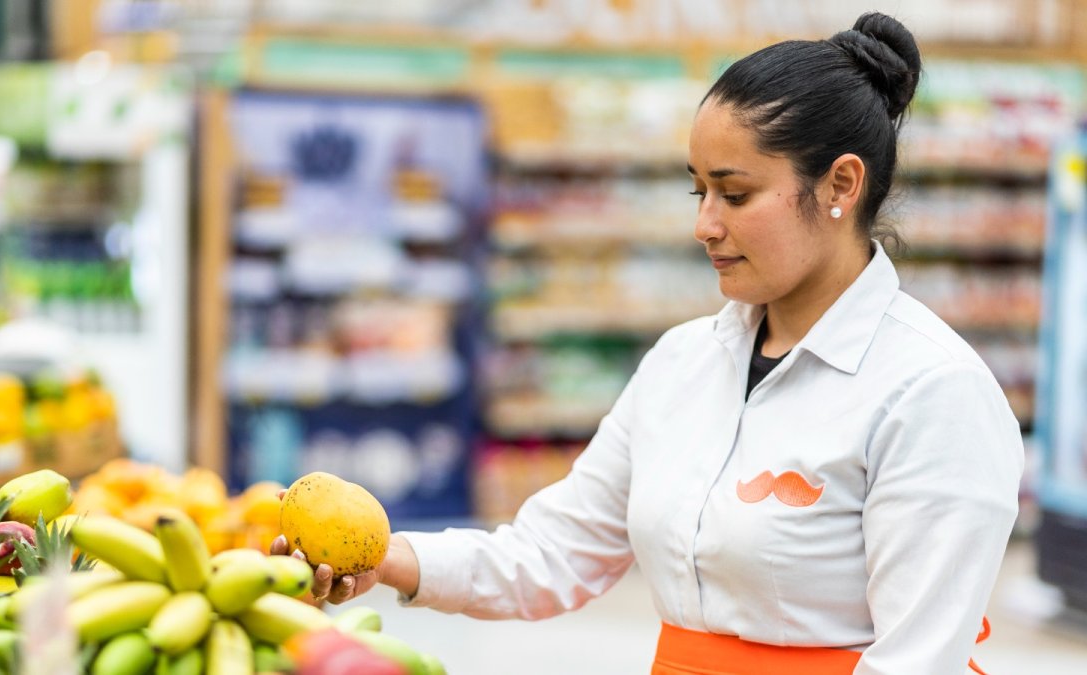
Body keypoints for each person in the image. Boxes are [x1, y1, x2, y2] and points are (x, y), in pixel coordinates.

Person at [272, 12, 1023, 674]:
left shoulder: (930, 392)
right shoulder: (682, 363)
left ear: (840, 185)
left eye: (735, 193)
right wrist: (383, 562)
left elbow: (918, 660)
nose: (705, 224)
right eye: (698, 192)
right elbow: (549, 554)